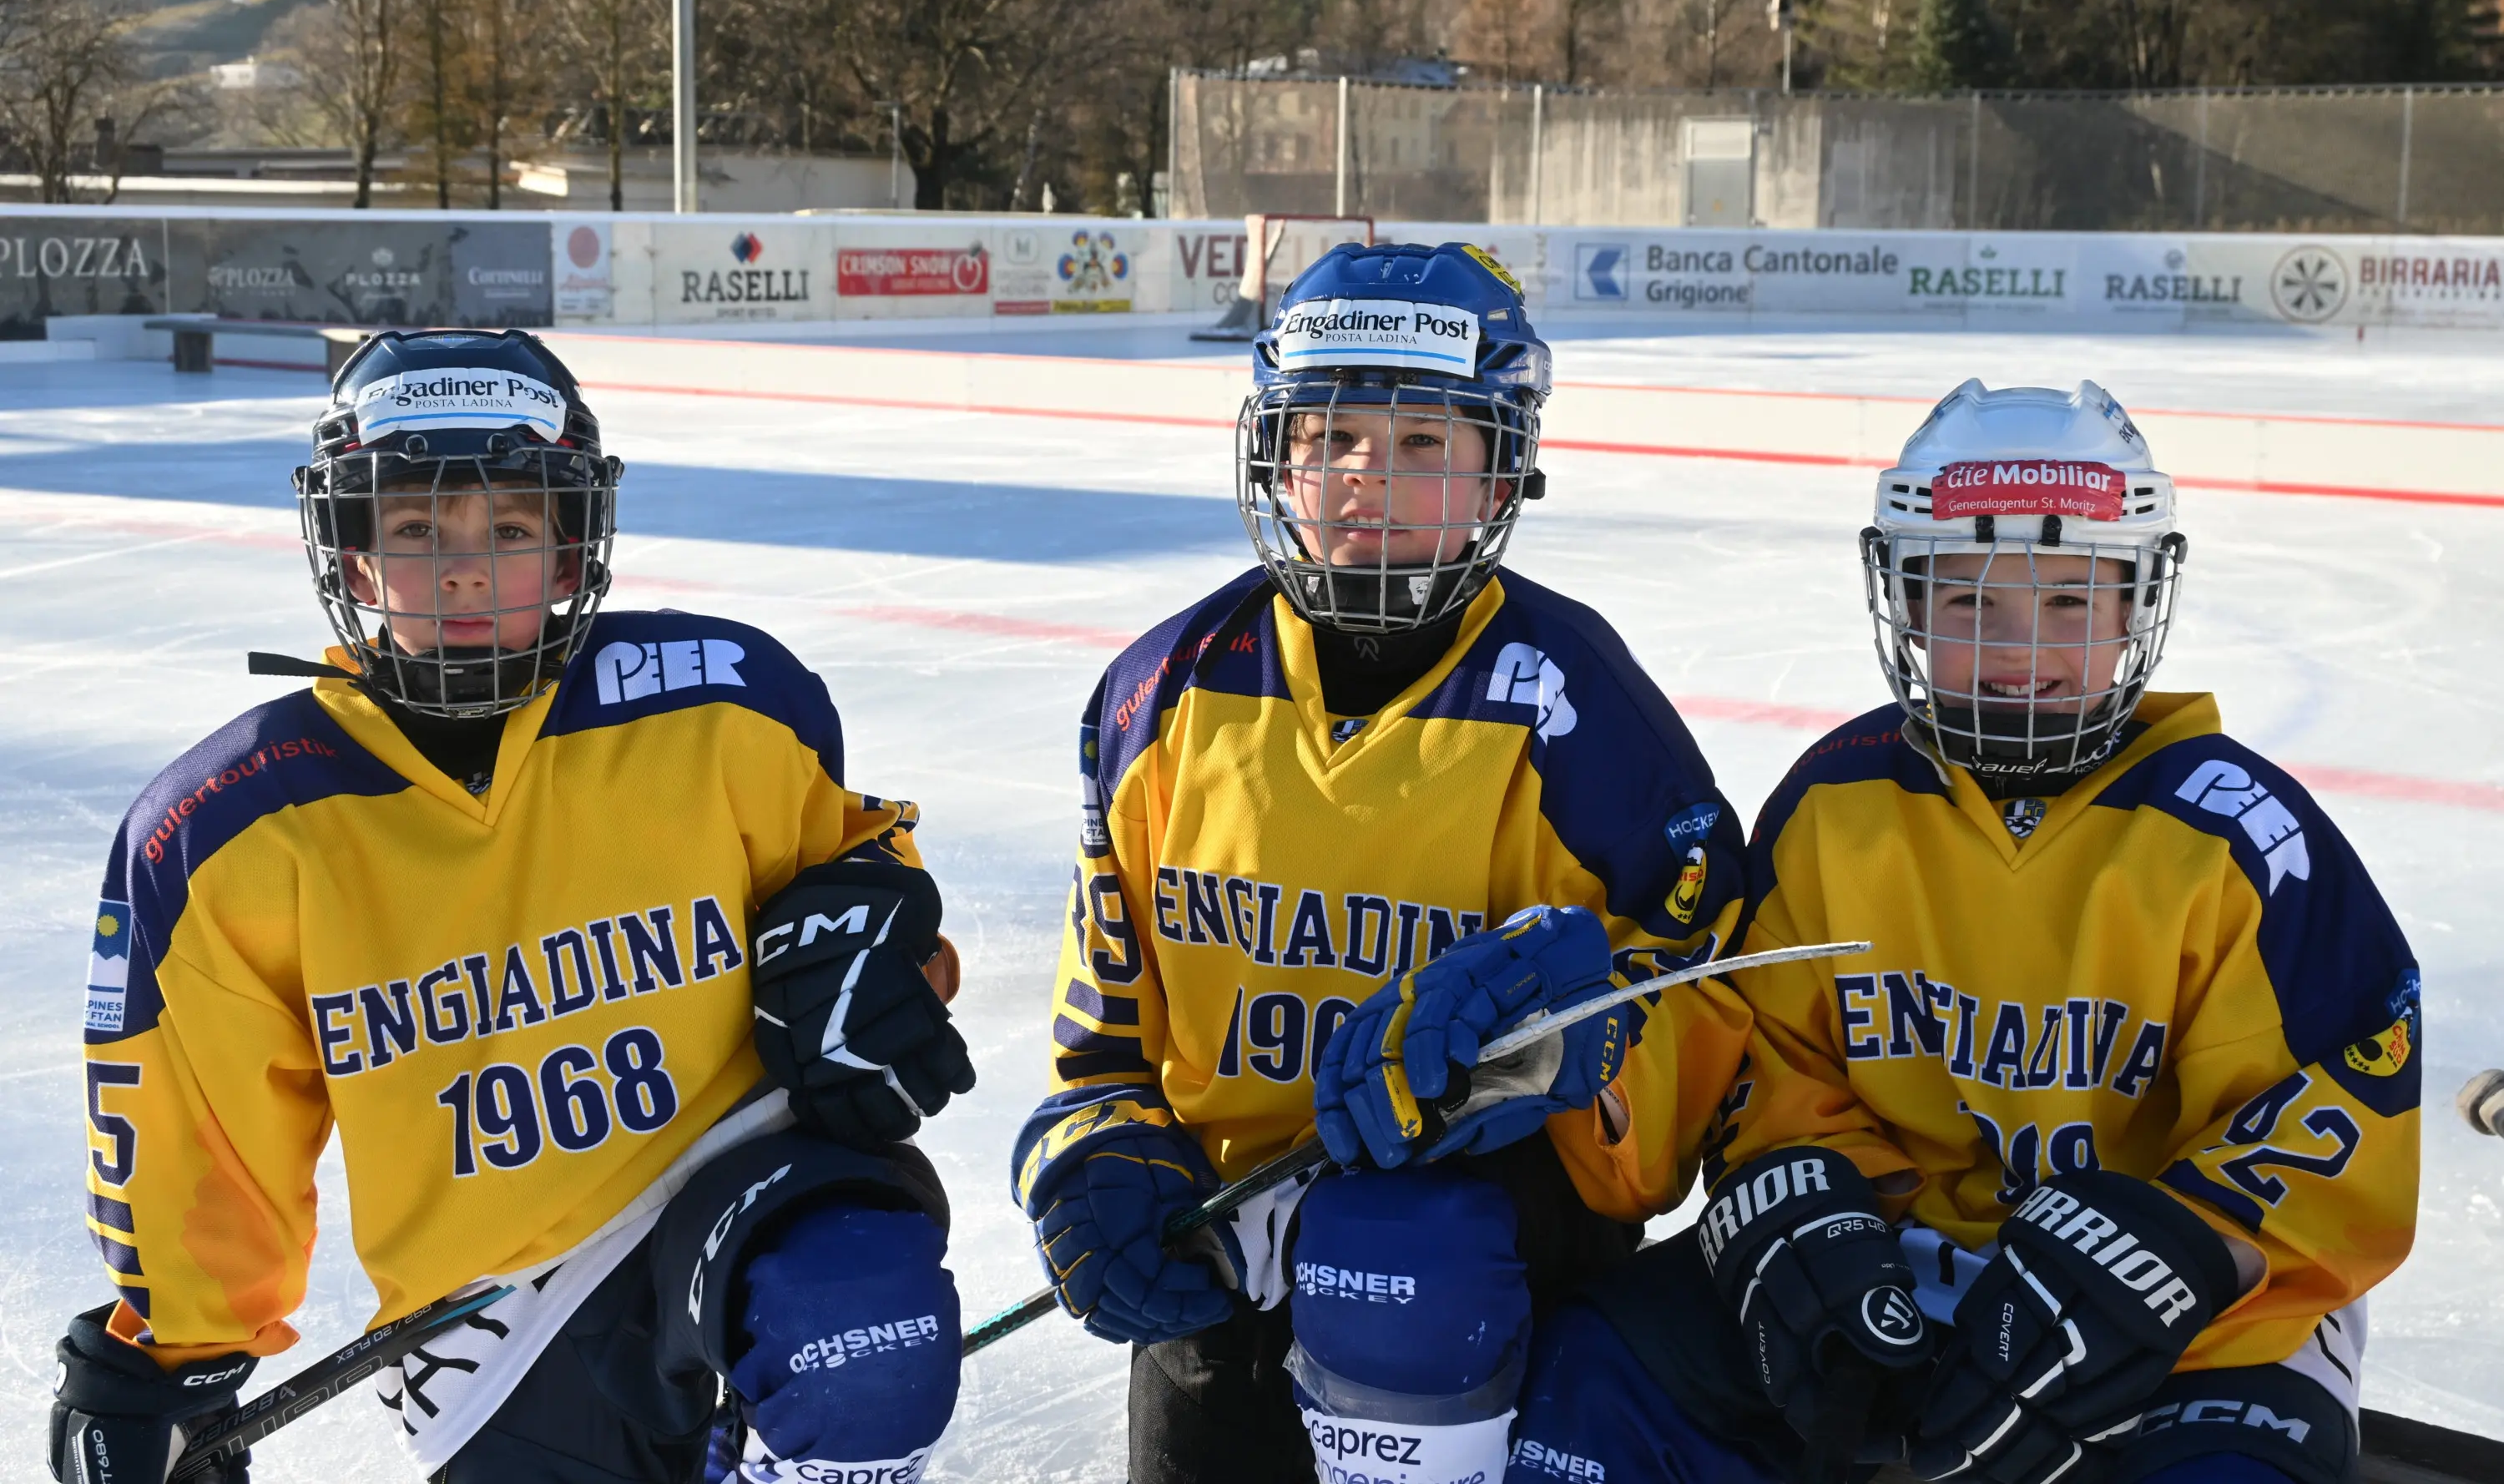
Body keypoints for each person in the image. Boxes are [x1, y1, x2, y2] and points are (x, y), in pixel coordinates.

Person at [55, 329, 977, 1484]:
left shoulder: (728, 708)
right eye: (413, 530)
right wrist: (170, 1359)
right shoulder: (225, 830)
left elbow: (879, 916)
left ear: (574, 539)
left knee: (861, 1323)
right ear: (347, 553)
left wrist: (889, 961)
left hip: (744, 1194)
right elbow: (204, 1135)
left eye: (512, 527)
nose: (465, 569)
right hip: (493, 1331)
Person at [1504, 379, 2420, 1484]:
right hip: (1908, 1266)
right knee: (1597, 1372)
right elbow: (1769, 1060)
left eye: (2071, 603)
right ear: (1903, 598)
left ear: (2139, 603)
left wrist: (2184, 1244)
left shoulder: (2238, 837)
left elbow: (2349, 1096)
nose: (2016, 652)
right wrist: (1813, 1201)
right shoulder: (1836, 806)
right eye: (1969, 601)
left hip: (2197, 1319)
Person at [1007, 242, 1756, 1484]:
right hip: (1228, 1239)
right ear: (1278, 453)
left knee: (1404, 1244)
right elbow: (1104, 1039)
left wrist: (1590, 1034)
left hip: (1474, 1250)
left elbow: (1716, 994)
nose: (1370, 481)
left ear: (1502, 463)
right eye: (1335, 437)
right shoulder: (1159, 696)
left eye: (1424, 445)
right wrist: (1098, 1149)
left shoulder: (1586, 712)